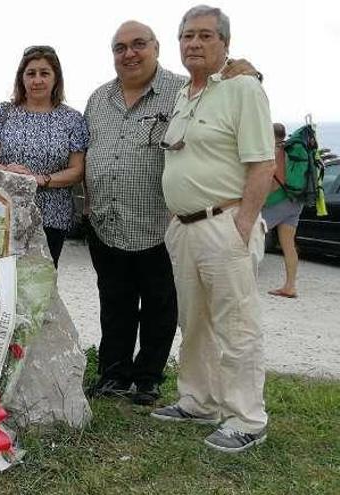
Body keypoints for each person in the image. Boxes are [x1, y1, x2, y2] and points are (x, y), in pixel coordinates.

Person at [84, 20, 260, 405]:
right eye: (120, 47)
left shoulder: (181, 91)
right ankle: (113, 373)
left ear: (157, 47)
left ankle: (148, 377)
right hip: (106, 222)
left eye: (138, 44)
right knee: (114, 302)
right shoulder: (98, 99)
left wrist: (245, 68)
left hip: (159, 224)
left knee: (161, 306)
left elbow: (226, 87)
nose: (129, 53)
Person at [151, 5, 275, 454]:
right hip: (184, 228)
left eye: (205, 36)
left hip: (224, 223)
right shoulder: (185, 94)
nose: (194, 44)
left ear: (225, 42)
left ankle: (247, 417)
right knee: (194, 322)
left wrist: (242, 223)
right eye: (187, 36)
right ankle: (198, 401)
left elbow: (262, 161)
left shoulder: (243, 88)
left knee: (236, 324)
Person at [0, 45, 88, 266]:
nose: (37, 80)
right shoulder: (2, 113)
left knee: (41, 284)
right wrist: (8, 172)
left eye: (44, 73)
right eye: (31, 73)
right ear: (22, 78)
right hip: (3, 213)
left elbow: (77, 171)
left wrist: (43, 180)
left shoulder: (72, 120)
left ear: (56, 78)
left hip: (52, 217)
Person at [262, 123, 302, 298]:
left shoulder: (276, 152)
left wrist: (260, 202)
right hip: (295, 202)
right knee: (288, 245)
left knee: (248, 236)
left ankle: (242, 281)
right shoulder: (292, 151)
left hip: (279, 202)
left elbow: (272, 182)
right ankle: (290, 286)